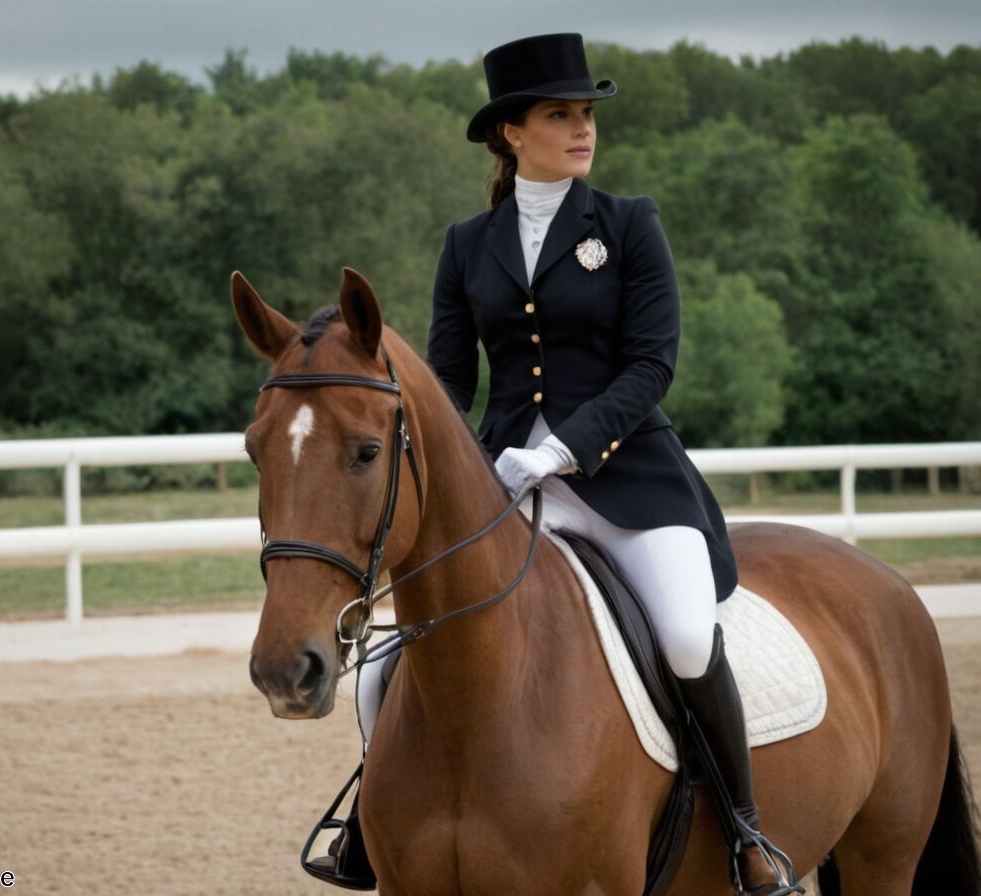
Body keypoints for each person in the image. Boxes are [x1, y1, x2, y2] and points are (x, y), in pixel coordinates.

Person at [310, 33, 802, 896]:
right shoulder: (469, 244)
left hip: (628, 484)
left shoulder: (627, 223)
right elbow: (449, 380)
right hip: (504, 485)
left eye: (586, 115)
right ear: (511, 133)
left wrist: (563, 448)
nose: (581, 130)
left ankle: (745, 833)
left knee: (687, 636)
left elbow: (652, 364)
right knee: (385, 667)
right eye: (559, 115)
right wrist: (459, 461)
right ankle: (369, 826)